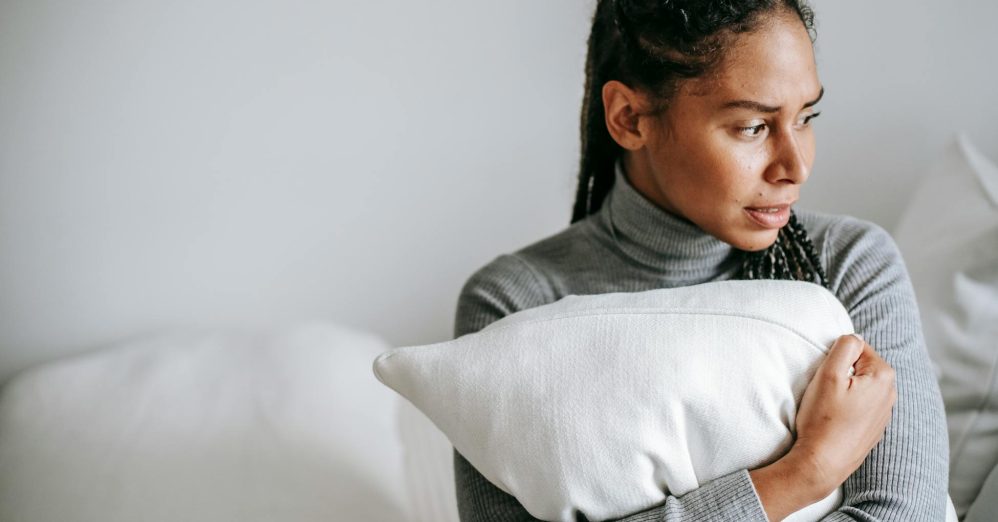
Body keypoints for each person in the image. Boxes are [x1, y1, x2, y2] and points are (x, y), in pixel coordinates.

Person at [452, 0, 950, 520]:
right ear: (629, 118)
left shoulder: (849, 265)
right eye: (753, 127)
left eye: (806, 117)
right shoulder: (514, 303)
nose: (796, 166)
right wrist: (804, 473)